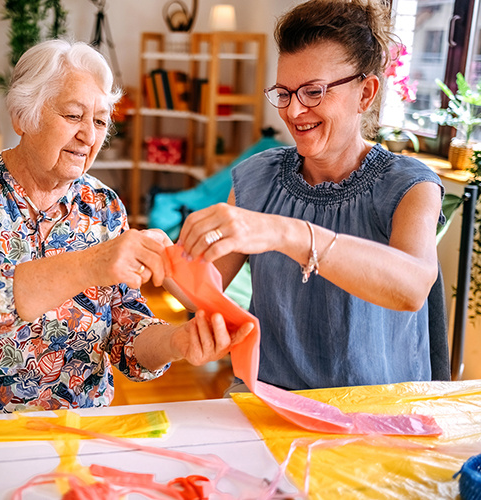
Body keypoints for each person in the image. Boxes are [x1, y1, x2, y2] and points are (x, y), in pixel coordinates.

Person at [0, 40, 252, 419]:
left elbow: (126, 331)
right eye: (72, 115)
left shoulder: (104, 205)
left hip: (73, 423)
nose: (89, 135)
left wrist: (177, 341)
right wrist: (94, 263)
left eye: (99, 121)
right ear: (23, 117)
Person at [175, 0, 445, 391]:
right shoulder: (258, 177)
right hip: (267, 397)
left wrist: (288, 234)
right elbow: (202, 293)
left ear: (365, 94)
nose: (294, 110)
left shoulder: (411, 186)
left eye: (313, 92)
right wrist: (163, 261)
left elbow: (412, 287)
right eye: (284, 93)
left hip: (376, 410)